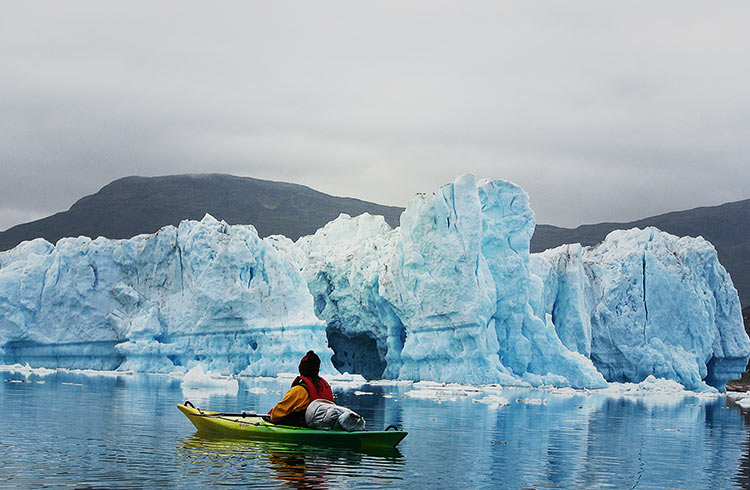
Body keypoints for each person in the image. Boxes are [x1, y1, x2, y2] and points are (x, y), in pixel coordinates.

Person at [269, 350, 333, 426]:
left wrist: (271, 415)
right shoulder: (325, 387)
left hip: (304, 426)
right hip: (325, 425)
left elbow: (276, 415)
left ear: (301, 369)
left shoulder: (298, 391)